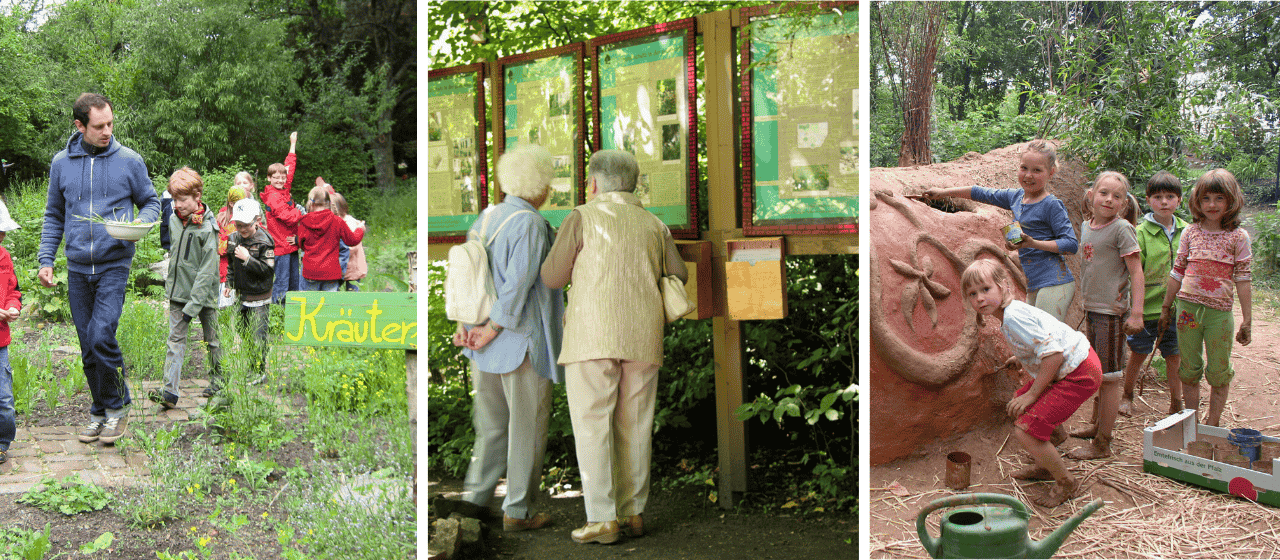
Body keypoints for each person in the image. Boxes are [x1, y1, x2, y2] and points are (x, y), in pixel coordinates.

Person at [541, 149, 688, 544]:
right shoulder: (655, 224)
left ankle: (602, 518)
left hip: (591, 336)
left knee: (592, 424)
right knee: (636, 424)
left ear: (593, 183)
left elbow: (553, 277)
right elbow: (679, 273)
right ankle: (632, 513)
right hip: (643, 334)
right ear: (634, 184)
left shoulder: (581, 217)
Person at [450, 144, 565, 533]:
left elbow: (468, 279)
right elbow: (518, 285)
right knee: (527, 428)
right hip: (519, 341)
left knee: (492, 427)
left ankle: (474, 500)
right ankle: (518, 509)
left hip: (481, 343)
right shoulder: (530, 223)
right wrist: (494, 328)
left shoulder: (486, 217)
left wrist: (472, 328)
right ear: (540, 185)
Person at [38, 93, 161, 445]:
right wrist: (46, 259)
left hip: (114, 261)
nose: (107, 131)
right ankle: (99, 410)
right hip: (77, 266)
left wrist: (141, 222)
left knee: (101, 335)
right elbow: (54, 215)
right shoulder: (61, 163)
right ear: (80, 126)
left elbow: (151, 201)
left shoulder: (129, 160)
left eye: (110, 124)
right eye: (99, 126)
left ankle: (118, 407)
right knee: (87, 345)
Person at [962, 258, 1100, 507]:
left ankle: (1066, 482)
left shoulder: (1013, 317)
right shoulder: (1010, 313)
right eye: (973, 294)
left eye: (985, 289)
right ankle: (1046, 459)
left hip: (1078, 371)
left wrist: (1033, 394)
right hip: (1075, 364)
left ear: (1003, 286)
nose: (980, 298)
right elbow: (1041, 341)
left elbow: (1054, 355)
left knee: (1025, 429)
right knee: (1021, 405)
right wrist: (1022, 358)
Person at [923, 140, 1079, 321]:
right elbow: (981, 193)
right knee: (1035, 335)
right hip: (1034, 284)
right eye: (1024, 168)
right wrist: (943, 192)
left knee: (1046, 335)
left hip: (1055, 283)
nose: (1028, 175)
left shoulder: (1051, 205)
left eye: (1037, 170)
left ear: (1051, 172)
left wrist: (1033, 243)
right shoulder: (1016, 197)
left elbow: (1071, 244)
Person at [1158, 169, 1253, 427]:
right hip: (1187, 311)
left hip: (1218, 315)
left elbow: (1243, 279)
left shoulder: (1238, 237)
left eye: (1219, 198)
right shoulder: (1190, 232)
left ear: (1231, 200)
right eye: (1206, 198)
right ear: (1197, 202)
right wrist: (1166, 308)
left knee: (1219, 371)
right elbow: (1177, 271)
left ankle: (1212, 425)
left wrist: (1247, 320)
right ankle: (1193, 424)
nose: (1212, 205)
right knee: (1189, 369)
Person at [1066, 172, 1144, 460]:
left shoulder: (1122, 229)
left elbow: (1136, 271)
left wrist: (1137, 313)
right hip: (1094, 309)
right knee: (1099, 372)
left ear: (1124, 204)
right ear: (1091, 195)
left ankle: (1103, 443)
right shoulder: (1088, 226)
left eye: (1117, 196)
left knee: (1110, 378)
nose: (1109, 199)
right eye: (1104, 193)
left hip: (1111, 312)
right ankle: (1097, 426)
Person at [149, 167, 220, 408]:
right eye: (174, 199)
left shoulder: (208, 228)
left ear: (197, 196)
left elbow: (207, 271)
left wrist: (194, 305)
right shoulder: (173, 220)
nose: (177, 205)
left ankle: (219, 382)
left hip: (203, 296)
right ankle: (170, 391)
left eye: (183, 200)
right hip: (178, 293)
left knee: (212, 340)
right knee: (175, 341)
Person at [1119, 171, 1187, 416]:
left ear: (1179, 200)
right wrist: (1134, 309)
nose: (1164, 202)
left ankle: (1176, 403)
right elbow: (1135, 272)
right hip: (1147, 308)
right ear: (1148, 200)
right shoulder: (1140, 233)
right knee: (1138, 353)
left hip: (1178, 309)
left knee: (1174, 356)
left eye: (1170, 196)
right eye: (1158, 197)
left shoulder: (1188, 231)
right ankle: (1127, 395)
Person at [225, 199, 275, 384]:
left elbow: (268, 270)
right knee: (244, 332)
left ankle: (259, 371)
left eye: (246, 225)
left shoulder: (265, 241)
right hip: (242, 294)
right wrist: (229, 283)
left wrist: (248, 259)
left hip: (260, 295)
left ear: (257, 220)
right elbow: (231, 264)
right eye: (238, 225)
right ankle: (251, 366)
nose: (242, 229)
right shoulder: (233, 238)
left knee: (257, 334)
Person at [262, 132, 303, 304]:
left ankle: (292, 312)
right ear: (269, 178)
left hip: (291, 245)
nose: (280, 180)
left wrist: (293, 143)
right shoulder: (273, 197)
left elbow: (290, 167)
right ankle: (278, 313)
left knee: (294, 282)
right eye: (276, 178)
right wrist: (300, 211)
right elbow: (289, 217)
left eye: (282, 177)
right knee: (282, 283)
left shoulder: (283, 189)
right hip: (281, 248)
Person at [297, 185, 364, 291]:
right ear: (328, 203)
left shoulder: (304, 221)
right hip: (331, 273)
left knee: (309, 301)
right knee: (330, 302)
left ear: (311, 203)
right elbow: (353, 240)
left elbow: (301, 244)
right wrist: (360, 229)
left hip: (310, 271)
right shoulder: (337, 221)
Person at [0, 198, 23, 464]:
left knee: (4, 400)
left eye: (3, 231)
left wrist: (12, 306)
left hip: (0, 341)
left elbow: (13, 290)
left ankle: (2, 443)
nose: (2, 236)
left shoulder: (4, 256)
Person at [216, 186, 248, 308]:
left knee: (244, 308)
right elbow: (219, 248)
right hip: (227, 270)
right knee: (226, 307)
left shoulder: (249, 218)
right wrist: (232, 242)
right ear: (231, 203)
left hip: (245, 270)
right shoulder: (223, 220)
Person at [329, 191, 367, 291]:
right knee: (333, 290)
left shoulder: (350, 222)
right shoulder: (335, 221)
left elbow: (352, 247)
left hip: (353, 267)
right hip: (340, 266)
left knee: (352, 293)